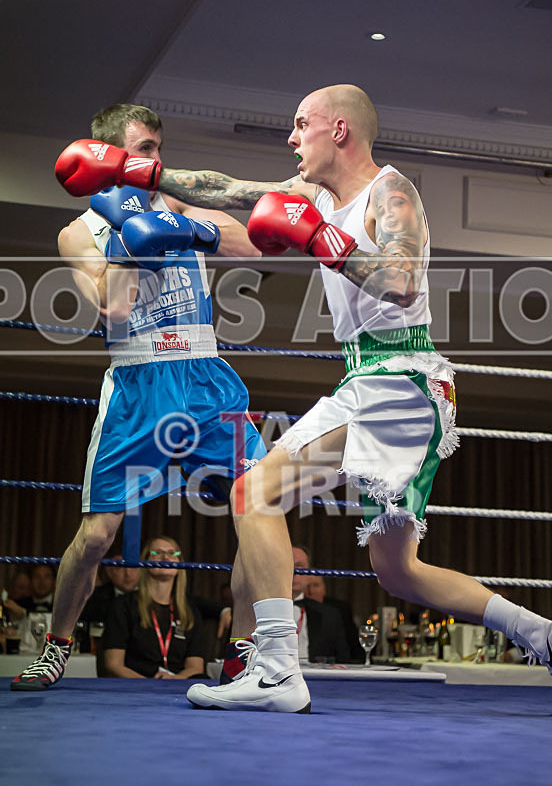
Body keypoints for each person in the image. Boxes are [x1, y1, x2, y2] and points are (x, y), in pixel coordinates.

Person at [52, 85, 552, 714]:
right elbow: (227, 188)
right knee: (398, 572)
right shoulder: (316, 196)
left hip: (398, 376)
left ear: (338, 130)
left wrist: (325, 242)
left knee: (252, 491)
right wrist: (144, 173)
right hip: (370, 382)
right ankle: (540, 633)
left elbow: (401, 280)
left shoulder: (391, 191)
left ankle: (276, 668)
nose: (291, 138)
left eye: (300, 126)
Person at [11, 104, 265, 691]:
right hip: (137, 380)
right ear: (109, 158)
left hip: (203, 374)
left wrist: (188, 227)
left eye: (157, 147)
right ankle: (55, 647)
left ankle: (243, 651)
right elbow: (112, 306)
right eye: (143, 149)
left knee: (259, 505)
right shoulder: (77, 232)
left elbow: (249, 246)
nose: (156, 159)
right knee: (99, 532)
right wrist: (130, 228)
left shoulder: (173, 200)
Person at [102, 536, 206, 679]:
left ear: (180, 564)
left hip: (177, 690)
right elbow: (113, 664)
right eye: (157, 553)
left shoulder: (189, 610)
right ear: (144, 562)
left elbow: (195, 667)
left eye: (173, 553)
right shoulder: (123, 605)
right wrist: (150, 686)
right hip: (135, 690)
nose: (166, 557)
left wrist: (172, 682)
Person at [290, 545, 350, 664]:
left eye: (299, 566)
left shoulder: (330, 616)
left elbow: (344, 661)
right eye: (288, 565)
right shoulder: (258, 611)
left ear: (309, 573)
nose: (294, 571)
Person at [305, 575, 365, 663]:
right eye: (307, 586)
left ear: (324, 589)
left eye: (316, 585)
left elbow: (353, 647)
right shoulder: (295, 609)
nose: (311, 591)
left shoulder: (339, 611)